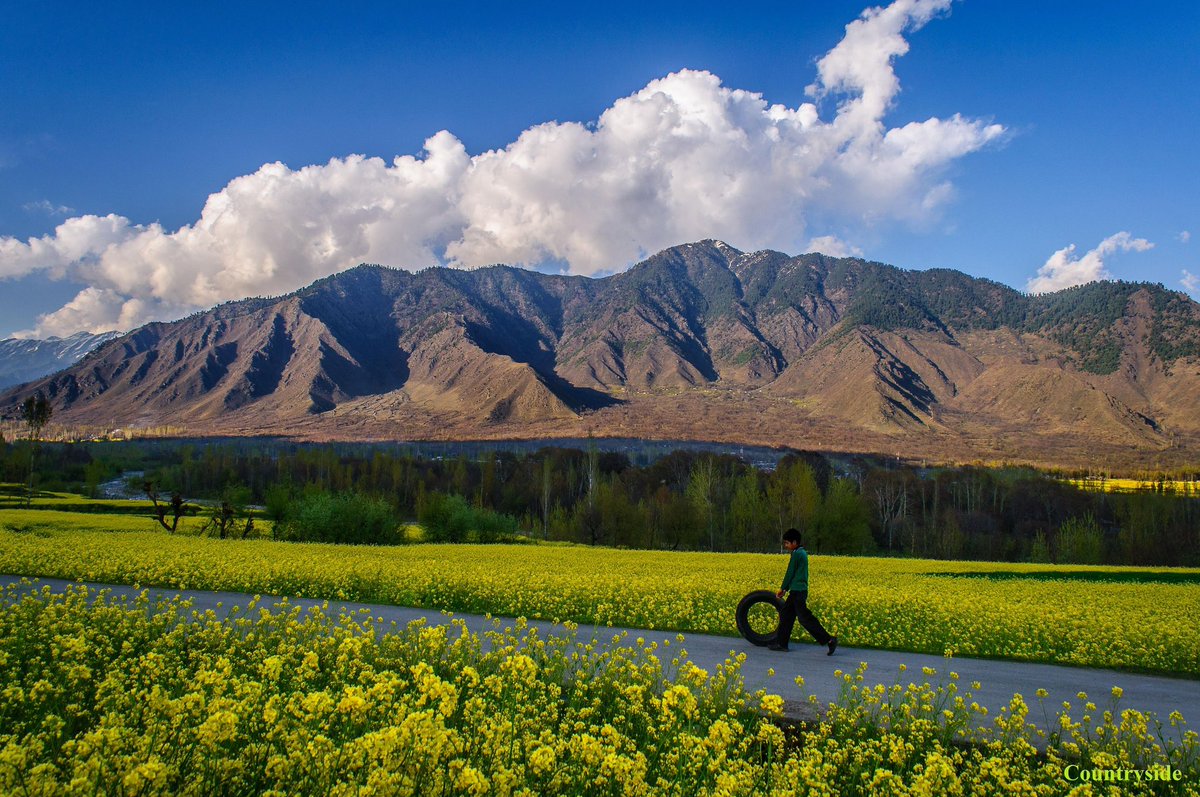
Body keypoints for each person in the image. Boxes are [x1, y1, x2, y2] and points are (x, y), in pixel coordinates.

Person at [769, 527, 837, 654]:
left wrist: (783, 588)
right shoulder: (801, 552)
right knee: (786, 614)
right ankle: (781, 643)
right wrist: (787, 588)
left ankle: (829, 640)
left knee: (804, 618)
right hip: (797, 590)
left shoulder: (797, 554)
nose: (786, 545)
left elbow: (790, 572)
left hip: (798, 592)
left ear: (795, 542)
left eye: (787, 543)